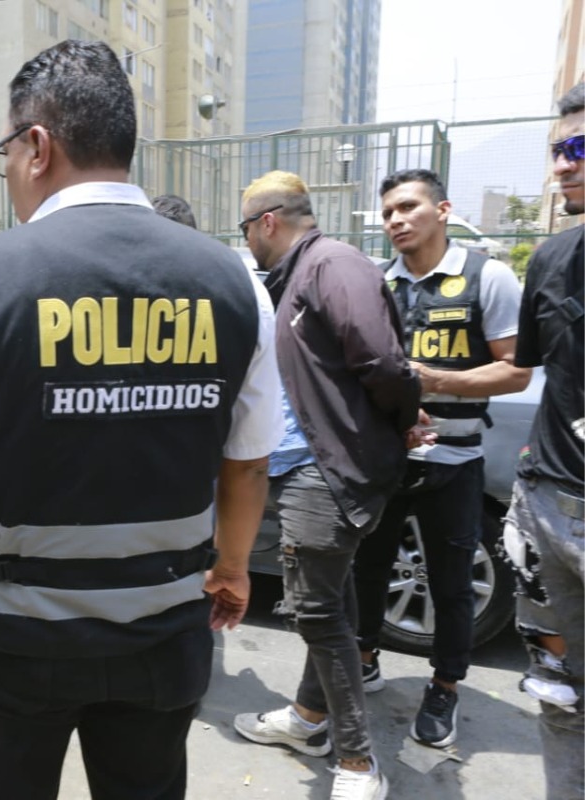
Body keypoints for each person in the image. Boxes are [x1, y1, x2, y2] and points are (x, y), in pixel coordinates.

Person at [0, 41, 283, 798]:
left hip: (19, 646)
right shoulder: (232, 279)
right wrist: (230, 566)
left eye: (4, 153)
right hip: (163, 636)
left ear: (37, 145)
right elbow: (248, 463)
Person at [231, 170, 423, 800]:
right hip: (311, 466)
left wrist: (397, 425)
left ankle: (359, 763)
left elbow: (384, 363)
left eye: (246, 228)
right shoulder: (299, 277)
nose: (248, 241)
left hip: (327, 471)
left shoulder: (331, 264)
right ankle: (309, 718)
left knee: (315, 611)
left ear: (268, 222)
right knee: (331, 603)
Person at [353, 168, 529, 748]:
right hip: (388, 460)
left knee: (452, 584)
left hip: (456, 464)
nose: (396, 221)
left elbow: (516, 368)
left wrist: (436, 382)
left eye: (408, 207)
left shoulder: (488, 276)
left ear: (443, 209)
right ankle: (366, 658)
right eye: (387, 214)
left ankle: (446, 687)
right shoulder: (379, 282)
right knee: (369, 569)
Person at [500, 82, 584, 800]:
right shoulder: (553, 259)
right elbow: (540, 373)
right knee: (559, 694)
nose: (564, 165)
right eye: (558, 151)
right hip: (549, 510)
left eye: (579, 149)